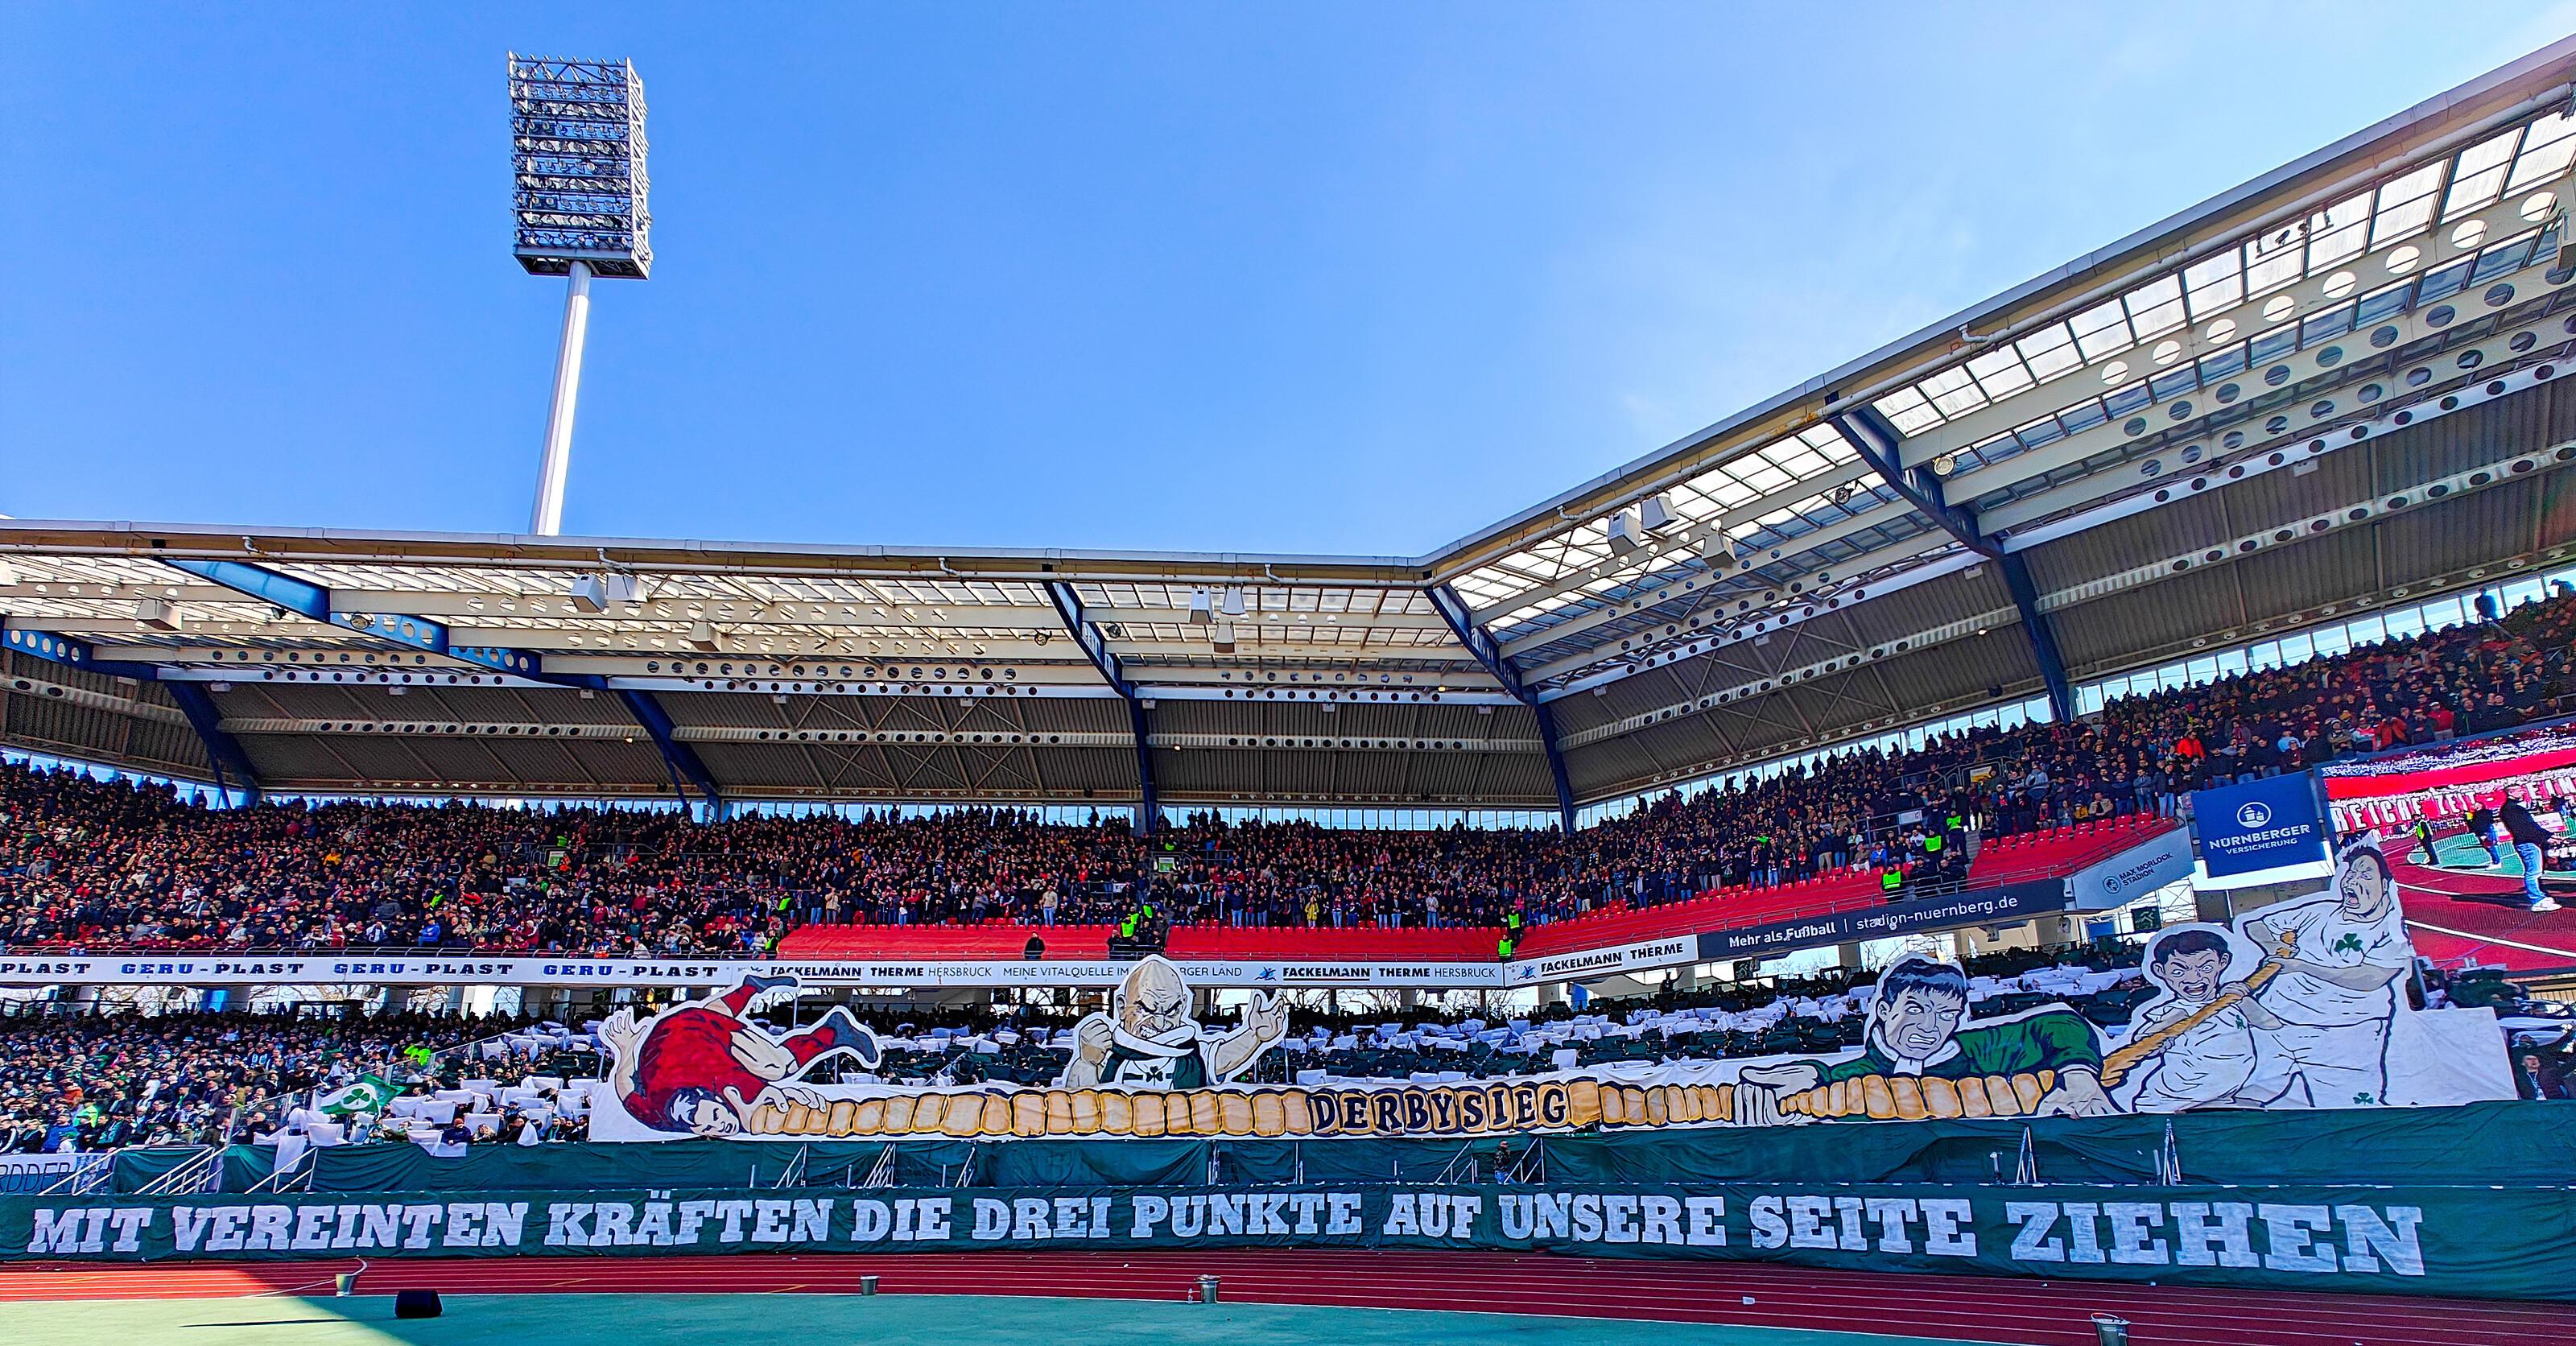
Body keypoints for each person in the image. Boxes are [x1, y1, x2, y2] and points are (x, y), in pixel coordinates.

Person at [1728, 956, 2113, 1124]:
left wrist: (2079, 1075)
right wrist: (1804, 1085)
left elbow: (2060, 1023)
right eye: (1916, 1010)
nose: (1930, 1027)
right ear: (1883, 1010)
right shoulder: (1860, 1074)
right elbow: (1837, 1076)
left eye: (1945, 1015)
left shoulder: (1982, 1048)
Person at [2237, 840, 2412, 1108]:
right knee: (2249, 1098)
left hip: (2344, 1033)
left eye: (2365, 875)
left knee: (2350, 1107)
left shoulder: (2391, 930)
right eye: (2351, 873)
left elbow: (2371, 978)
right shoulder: (2321, 911)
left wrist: (2302, 966)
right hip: (2276, 1023)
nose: (2352, 880)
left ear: (2385, 885)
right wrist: (2276, 948)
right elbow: (2256, 925)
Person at [600, 975, 881, 1137]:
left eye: (715, 1115)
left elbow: (626, 1085)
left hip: (694, 1035)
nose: (719, 1125)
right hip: (671, 1039)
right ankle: (749, 987)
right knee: (710, 1014)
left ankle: (833, 1032)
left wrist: (627, 1047)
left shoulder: (716, 1076)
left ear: (713, 1097)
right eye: (708, 1126)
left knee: (775, 1067)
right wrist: (626, 1050)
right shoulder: (656, 1117)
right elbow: (625, 1089)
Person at [2115, 928, 2280, 1112]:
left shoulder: (2232, 999)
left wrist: (2244, 1000)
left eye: (2206, 968)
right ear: (2160, 971)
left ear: (2223, 962)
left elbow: (2271, 1024)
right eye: (2179, 972)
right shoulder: (2176, 1011)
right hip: (2176, 1098)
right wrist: (2164, 1031)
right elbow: (2144, 1042)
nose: (2194, 978)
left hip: (2224, 1093)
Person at [1062, 956, 1288, 1088]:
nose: (1160, 1023)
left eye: (1171, 1011)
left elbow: (1223, 1056)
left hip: (1182, 1147)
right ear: (1122, 1006)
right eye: (1146, 1009)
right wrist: (1086, 1063)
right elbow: (1080, 1108)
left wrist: (1255, 1036)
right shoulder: (1105, 1055)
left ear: (1182, 1006)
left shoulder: (1193, 1056)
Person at [2499, 788, 2562, 913]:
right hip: (2527, 843)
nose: (2522, 792)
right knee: (2533, 872)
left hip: (2529, 842)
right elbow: (2526, 829)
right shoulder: (2512, 809)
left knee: (2536, 871)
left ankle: (2539, 896)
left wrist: (2549, 836)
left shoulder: (2513, 808)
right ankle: (2537, 900)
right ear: (2511, 793)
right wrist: (2546, 838)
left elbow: (2531, 827)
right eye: (2519, 790)